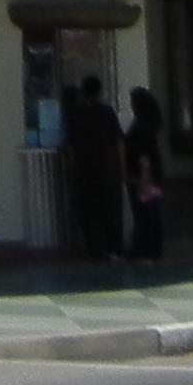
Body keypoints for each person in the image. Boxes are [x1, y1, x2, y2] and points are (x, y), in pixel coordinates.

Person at [63, 73, 125, 260]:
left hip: (84, 171)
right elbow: (118, 141)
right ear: (99, 91)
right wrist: (121, 167)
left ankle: (96, 250)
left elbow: (71, 145)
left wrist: (73, 169)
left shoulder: (75, 114)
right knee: (111, 211)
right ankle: (114, 249)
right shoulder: (107, 112)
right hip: (108, 169)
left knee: (89, 212)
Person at [124, 83, 167, 263]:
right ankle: (152, 247)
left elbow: (143, 157)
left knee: (143, 212)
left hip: (142, 175)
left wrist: (143, 178)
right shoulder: (149, 125)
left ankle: (142, 247)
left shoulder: (140, 128)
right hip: (151, 174)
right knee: (151, 211)